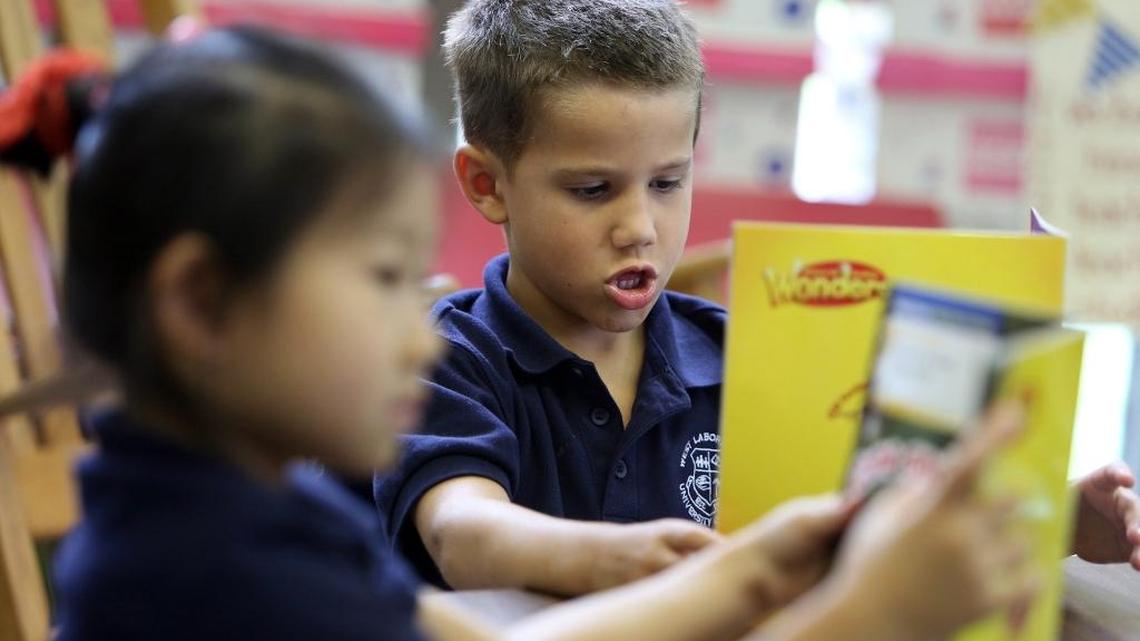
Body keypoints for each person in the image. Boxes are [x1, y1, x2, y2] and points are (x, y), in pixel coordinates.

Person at [1, 24, 1044, 641]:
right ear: (200, 302)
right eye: (381, 280)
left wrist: (755, 571)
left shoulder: (259, 506)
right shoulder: (207, 577)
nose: (416, 334)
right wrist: (863, 621)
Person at [373, 0, 1140, 594]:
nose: (640, 226)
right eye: (592, 189)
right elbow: (463, 532)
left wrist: (1058, 518)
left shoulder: (747, 355)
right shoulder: (443, 357)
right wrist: (631, 558)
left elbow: (869, 527)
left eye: (668, 182)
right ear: (486, 183)